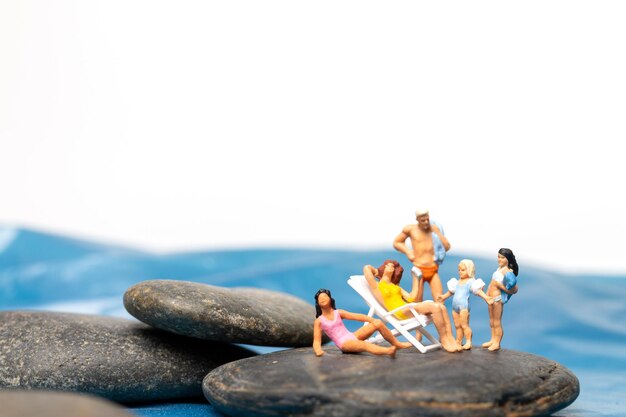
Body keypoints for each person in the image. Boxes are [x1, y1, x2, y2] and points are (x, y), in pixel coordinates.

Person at [363, 260, 461, 353]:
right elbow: (367, 268)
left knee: (441, 307)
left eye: (392, 266)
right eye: (387, 265)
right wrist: (377, 272)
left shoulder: (396, 287)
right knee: (434, 307)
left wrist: (415, 279)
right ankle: (444, 340)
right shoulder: (376, 286)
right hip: (400, 312)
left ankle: (450, 338)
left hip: (408, 307)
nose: (390, 266)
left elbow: (411, 297)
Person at [312, 289, 413, 357]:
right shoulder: (319, 321)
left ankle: (397, 344)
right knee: (363, 345)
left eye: (325, 296)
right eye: (320, 298)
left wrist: (371, 320)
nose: (322, 299)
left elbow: (358, 316)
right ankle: (387, 351)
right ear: (318, 303)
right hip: (344, 344)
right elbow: (316, 340)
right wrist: (318, 350)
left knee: (377, 323)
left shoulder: (339, 313)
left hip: (352, 336)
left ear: (330, 299)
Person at [393, 209, 451, 303]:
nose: (426, 222)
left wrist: (438, 233)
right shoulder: (410, 229)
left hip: (433, 269)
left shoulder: (434, 229)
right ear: (417, 219)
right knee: (417, 299)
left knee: (440, 298)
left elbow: (447, 247)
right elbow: (397, 243)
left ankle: (438, 315)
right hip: (419, 269)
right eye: (423, 220)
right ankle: (418, 315)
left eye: (427, 219)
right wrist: (408, 252)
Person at [437, 259, 492, 350]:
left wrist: (486, 297)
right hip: (455, 307)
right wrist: (443, 297)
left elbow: (478, 291)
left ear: (469, 270)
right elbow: (451, 292)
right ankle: (458, 341)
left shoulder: (470, 282)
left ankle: (468, 341)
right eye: (459, 270)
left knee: (464, 325)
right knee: (457, 326)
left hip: (463, 307)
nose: (460, 272)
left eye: (463, 270)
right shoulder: (457, 282)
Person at [482, 248, 519, 351]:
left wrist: (500, 286)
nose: (499, 259)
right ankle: (492, 339)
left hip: (497, 298)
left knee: (497, 321)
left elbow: (513, 287)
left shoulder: (507, 272)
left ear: (508, 259)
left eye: (502, 257)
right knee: (492, 321)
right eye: (498, 257)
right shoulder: (499, 269)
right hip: (490, 298)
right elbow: (492, 282)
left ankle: (497, 343)